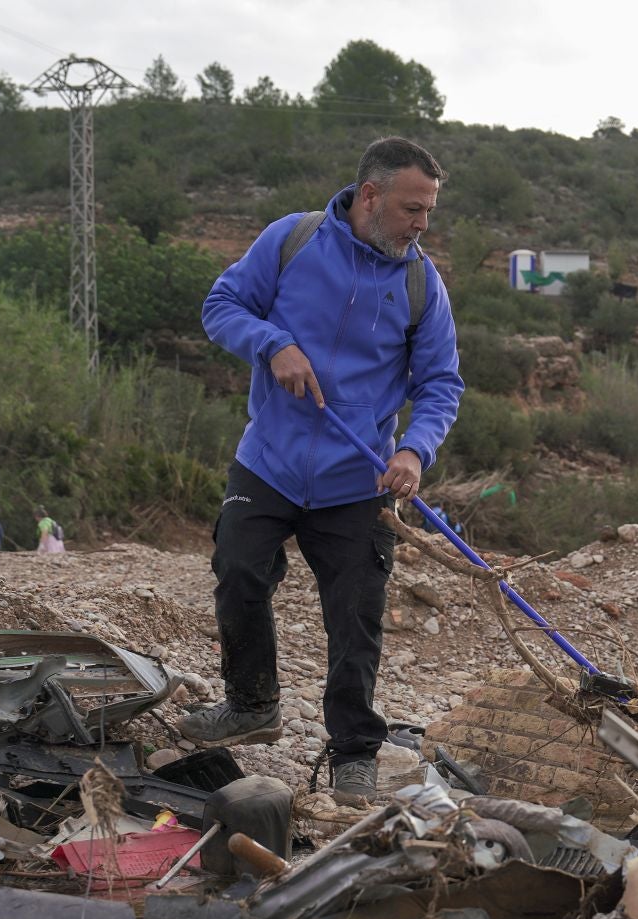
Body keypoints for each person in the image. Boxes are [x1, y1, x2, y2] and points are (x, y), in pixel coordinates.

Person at [180, 137, 464, 804]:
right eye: (411, 208)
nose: (422, 223)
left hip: (356, 480)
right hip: (271, 459)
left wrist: (412, 452)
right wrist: (272, 342)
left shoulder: (423, 285)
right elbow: (221, 307)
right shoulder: (292, 240)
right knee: (240, 570)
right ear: (370, 196)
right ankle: (253, 704)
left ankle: (354, 753)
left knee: (355, 618)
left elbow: (442, 385)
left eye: (429, 210)